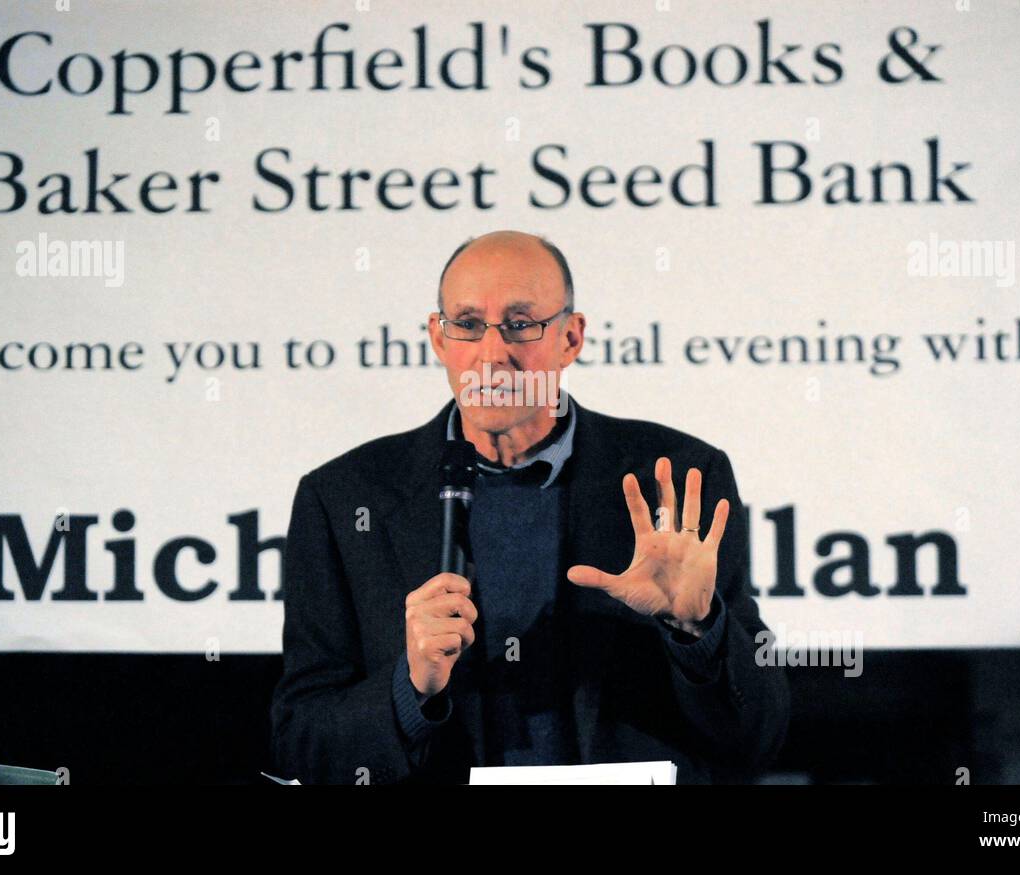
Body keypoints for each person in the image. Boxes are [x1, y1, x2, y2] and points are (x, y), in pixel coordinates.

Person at [270, 230, 789, 784]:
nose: (493, 355)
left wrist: (698, 631)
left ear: (572, 337)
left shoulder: (678, 479)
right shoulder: (345, 496)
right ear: (438, 339)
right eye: (467, 325)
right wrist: (410, 685)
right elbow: (303, 743)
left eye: (520, 324)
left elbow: (759, 736)